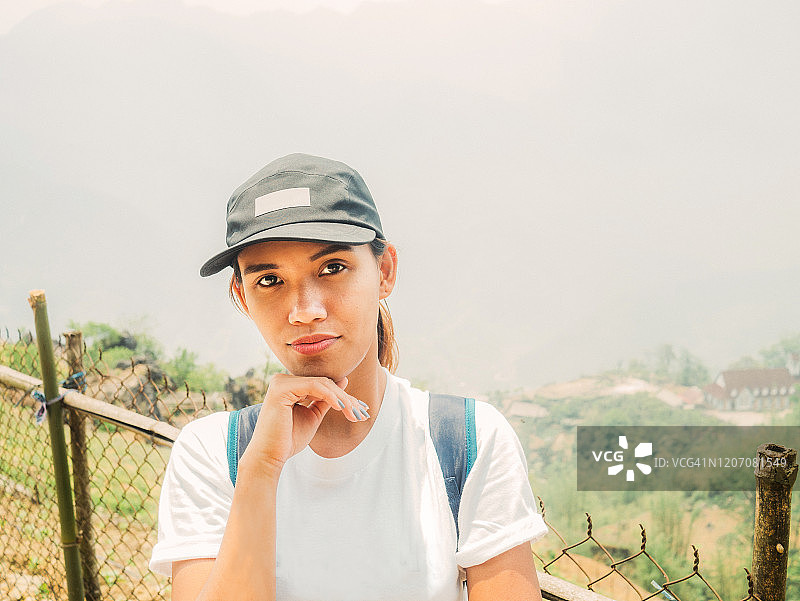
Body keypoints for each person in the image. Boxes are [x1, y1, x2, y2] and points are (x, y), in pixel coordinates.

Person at [148, 153, 548, 600]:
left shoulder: (466, 442)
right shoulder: (212, 454)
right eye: (269, 280)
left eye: (332, 268)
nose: (304, 311)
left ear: (385, 271)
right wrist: (261, 470)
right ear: (241, 294)